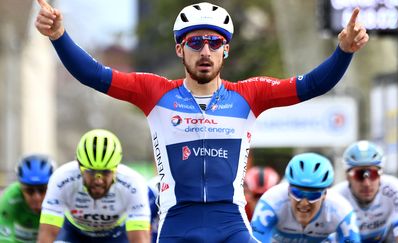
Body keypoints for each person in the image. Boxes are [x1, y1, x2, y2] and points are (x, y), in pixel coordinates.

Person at [35, 1, 369, 241]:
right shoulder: (155, 92)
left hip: (232, 224)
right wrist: (59, 36)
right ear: (180, 49)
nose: (205, 51)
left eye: (215, 42)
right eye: (195, 42)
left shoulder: (250, 95)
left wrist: (343, 52)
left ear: (226, 51)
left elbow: (312, 85)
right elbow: (93, 74)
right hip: (178, 224)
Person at [37, 129, 151, 243]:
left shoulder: (133, 183)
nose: (98, 181)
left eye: (106, 172)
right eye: (91, 172)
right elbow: (47, 234)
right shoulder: (61, 178)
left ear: (116, 168)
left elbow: (140, 239)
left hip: (116, 235)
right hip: (74, 233)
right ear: (79, 167)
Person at [250, 153, 361, 243]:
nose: (303, 202)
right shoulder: (272, 202)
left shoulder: (341, 209)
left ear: (324, 195)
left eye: (313, 195)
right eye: (297, 193)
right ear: (288, 190)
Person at [332, 140, 398, 242]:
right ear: (348, 177)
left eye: (373, 174)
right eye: (358, 175)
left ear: (381, 174)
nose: (367, 183)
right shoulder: (336, 197)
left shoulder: (394, 188)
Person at [0, 154, 55, 242]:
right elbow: (3, 238)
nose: (37, 197)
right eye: (29, 190)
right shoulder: (11, 197)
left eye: (43, 189)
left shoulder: (59, 196)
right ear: (21, 187)